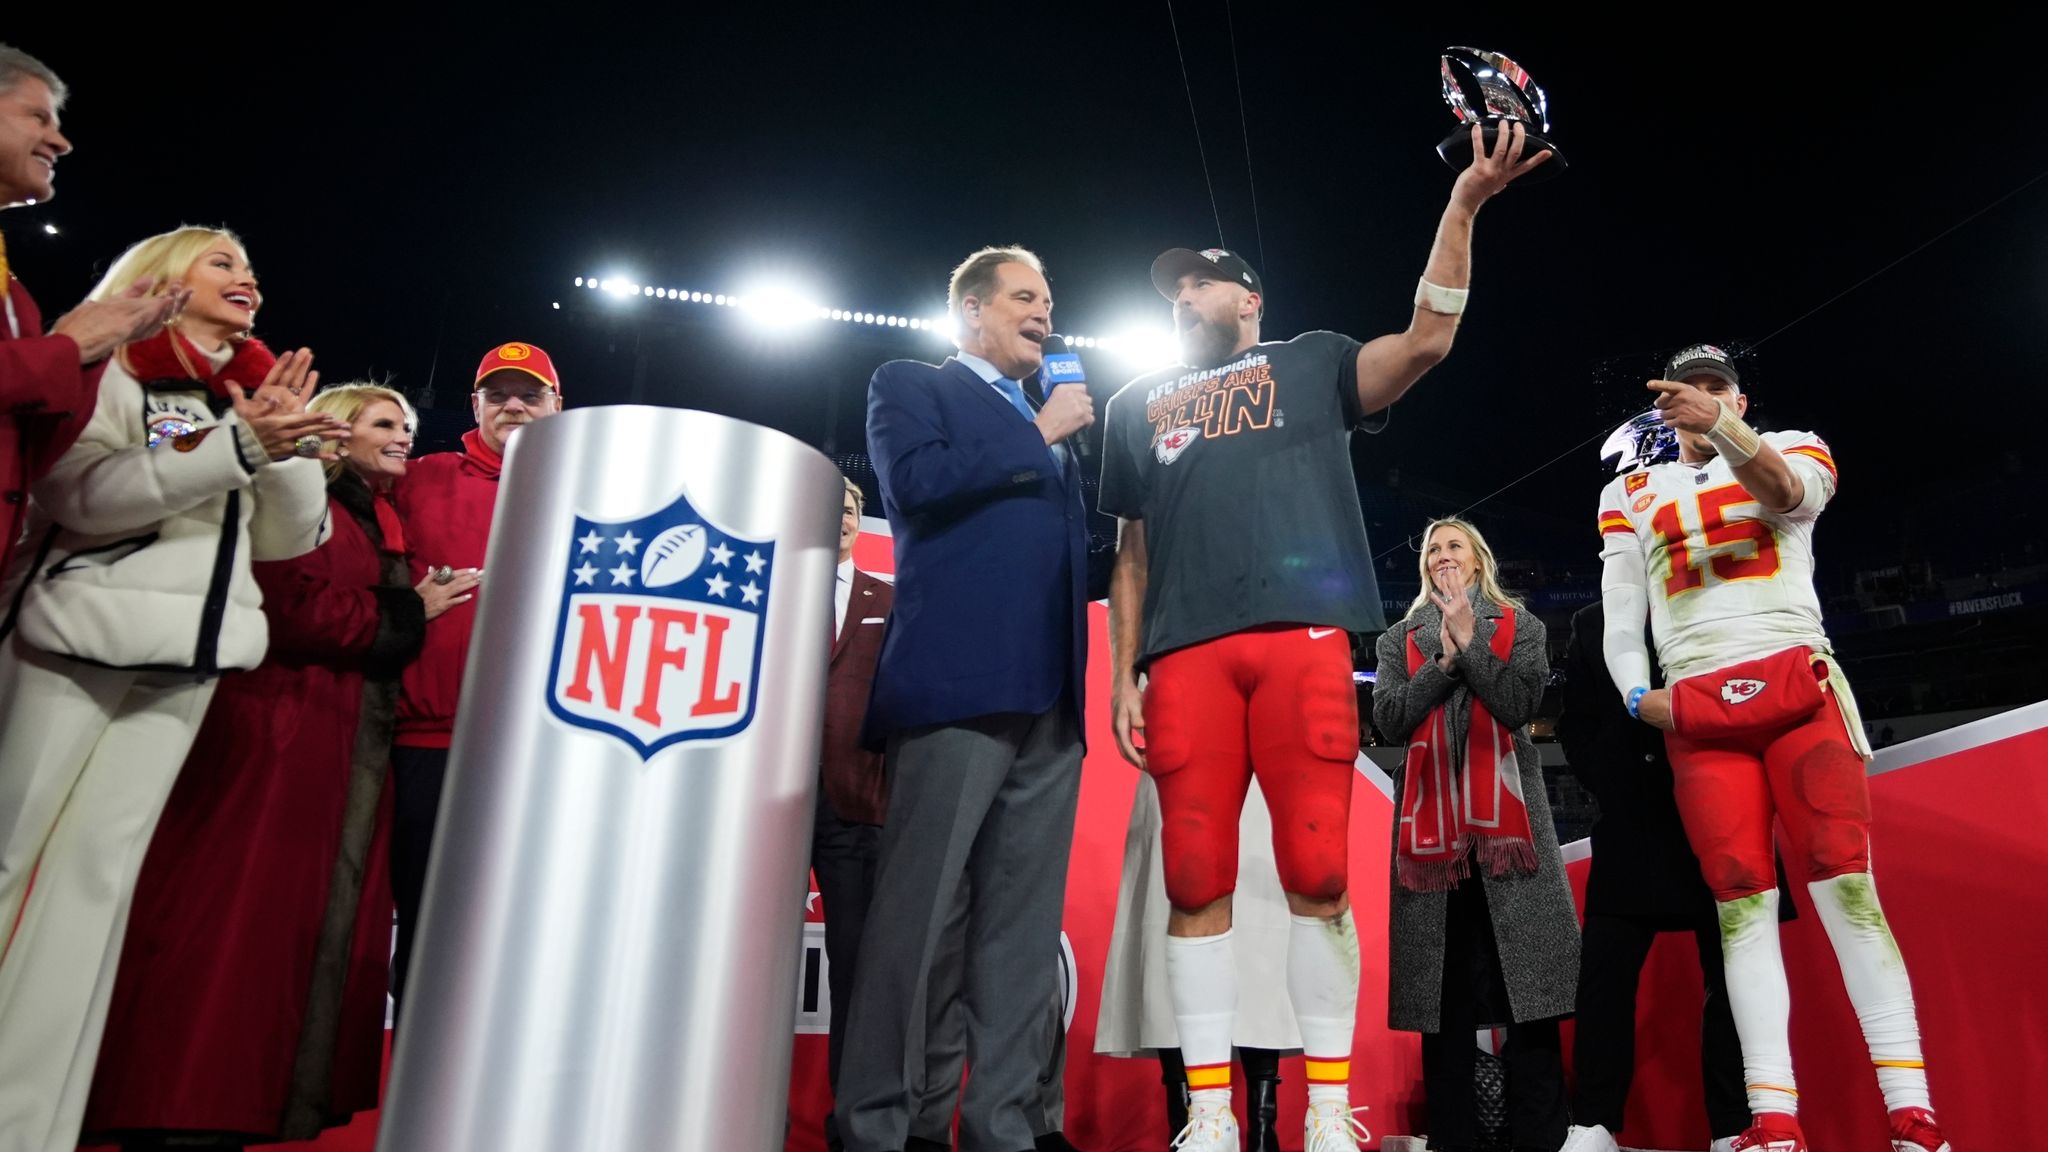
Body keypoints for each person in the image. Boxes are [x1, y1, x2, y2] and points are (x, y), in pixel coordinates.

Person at [1096, 121, 1552, 1152]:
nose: (1182, 297)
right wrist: (1126, 666)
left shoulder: (1309, 362)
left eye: (1201, 284)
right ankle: (1208, 1114)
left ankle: (1328, 1110)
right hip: (1184, 655)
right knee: (1194, 876)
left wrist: (1464, 203)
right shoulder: (1133, 405)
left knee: (1316, 873)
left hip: (1301, 641)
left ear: (1249, 299)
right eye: (1173, 288)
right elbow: (1128, 552)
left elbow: (1427, 341)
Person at [0, 225, 339, 1152]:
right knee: (7, 864)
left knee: (92, 896)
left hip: (190, 657)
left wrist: (289, 444)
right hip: (71, 639)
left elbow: (279, 542)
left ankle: (26, 1127)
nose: (249, 279)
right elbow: (80, 497)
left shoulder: (251, 389)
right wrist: (237, 441)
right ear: (160, 276)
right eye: (223, 260)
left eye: (251, 266)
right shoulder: (120, 363)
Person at [1595, 343, 1948, 1152]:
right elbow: (1623, 606)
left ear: (1741, 400)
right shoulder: (1631, 491)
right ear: (1662, 406)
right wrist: (1635, 694)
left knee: (1848, 892)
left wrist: (1719, 429)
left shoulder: (1793, 445)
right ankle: (1773, 1116)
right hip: (1696, 703)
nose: (1701, 397)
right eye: (1688, 389)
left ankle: (1911, 1108)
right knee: (1740, 910)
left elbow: (1786, 495)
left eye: (1716, 387)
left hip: (1795, 682)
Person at [80, 383, 451, 1148]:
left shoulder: (371, 512)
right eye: (384, 422)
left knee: (280, 943)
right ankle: (183, 1109)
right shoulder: (304, 492)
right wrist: (413, 609)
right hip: (273, 736)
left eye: (408, 425)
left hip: (329, 741)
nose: (403, 436)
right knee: (232, 930)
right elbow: (288, 607)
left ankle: (230, 1106)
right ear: (334, 430)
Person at [834, 245, 1091, 1152]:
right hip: (955, 689)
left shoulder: (1044, 416)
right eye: (1026, 296)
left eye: (1050, 300)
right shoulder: (912, 382)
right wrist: (1041, 435)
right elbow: (917, 486)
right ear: (970, 313)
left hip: (1052, 701)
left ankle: (1006, 1124)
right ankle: (879, 1124)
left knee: (1022, 931)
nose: (1046, 313)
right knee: (918, 922)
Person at [1372, 518, 1577, 1152]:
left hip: (1509, 842)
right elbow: (1389, 720)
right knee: (1445, 1004)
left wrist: (1472, 643)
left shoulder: (1525, 628)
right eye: (1432, 549)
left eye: (1453, 545)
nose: (1442, 555)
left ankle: (1542, 1137)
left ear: (1478, 559)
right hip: (1432, 849)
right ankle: (1454, 1139)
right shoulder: (1396, 640)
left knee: (1530, 998)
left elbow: (1518, 705)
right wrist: (1443, 662)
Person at [1556, 599, 1779, 1152]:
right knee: (1603, 978)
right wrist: (1611, 778)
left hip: (1720, 810)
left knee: (1734, 980)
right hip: (1632, 824)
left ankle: (1732, 1128)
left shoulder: (1717, 599)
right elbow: (1574, 722)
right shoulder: (1592, 623)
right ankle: (1595, 1123)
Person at [387, 341, 555, 1012]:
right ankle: (421, 1096)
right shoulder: (419, 477)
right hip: (431, 744)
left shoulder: (599, 485)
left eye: (530, 393)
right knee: (428, 926)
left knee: (529, 929)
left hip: (545, 750)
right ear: (477, 404)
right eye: (498, 393)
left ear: (557, 405)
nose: (513, 404)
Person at [0, 44, 186, 574]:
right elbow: (71, 493)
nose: (60, 141)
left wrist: (83, 353)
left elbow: (31, 455)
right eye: (37, 116)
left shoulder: (16, 295)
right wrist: (68, 348)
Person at [1095, 775, 1297, 1152]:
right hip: (1179, 743)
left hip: (1264, 747)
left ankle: (1263, 1133)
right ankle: (1185, 1127)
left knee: (1261, 935)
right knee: (1169, 916)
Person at [814, 474, 894, 1152]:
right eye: (825, 507)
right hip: (761, 815)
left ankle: (851, 1125)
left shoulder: (890, 600)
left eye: (847, 509)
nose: (837, 518)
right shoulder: (768, 591)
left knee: (855, 971)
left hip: (855, 804)